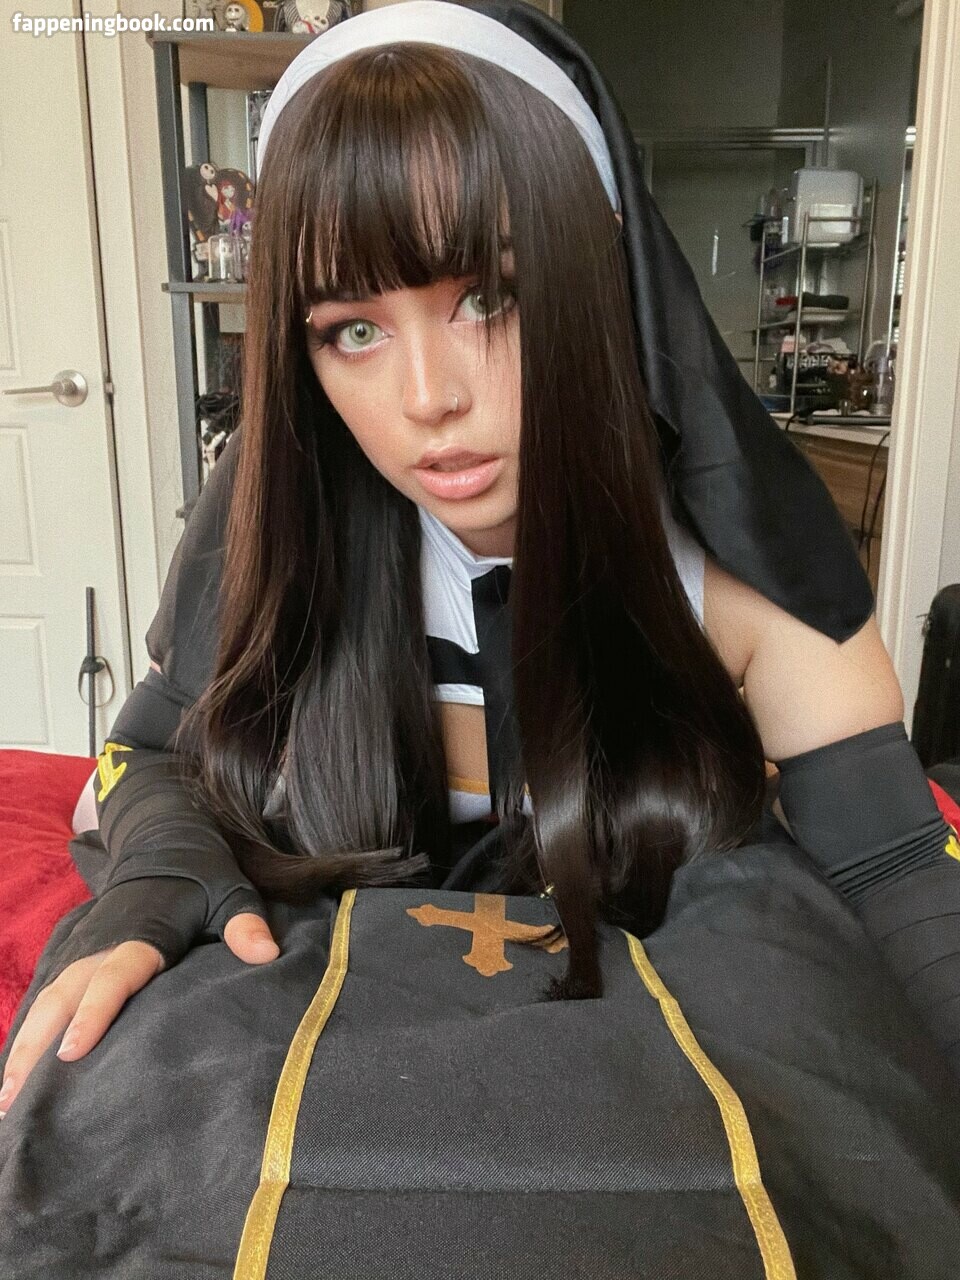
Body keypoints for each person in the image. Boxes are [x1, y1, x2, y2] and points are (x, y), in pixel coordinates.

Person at [1, 0, 957, 1140]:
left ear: (604, 259)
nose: (428, 400)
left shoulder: (744, 548)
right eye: (352, 330)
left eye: (491, 298)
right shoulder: (271, 513)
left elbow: (897, 861)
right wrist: (156, 864)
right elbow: (145, 750)